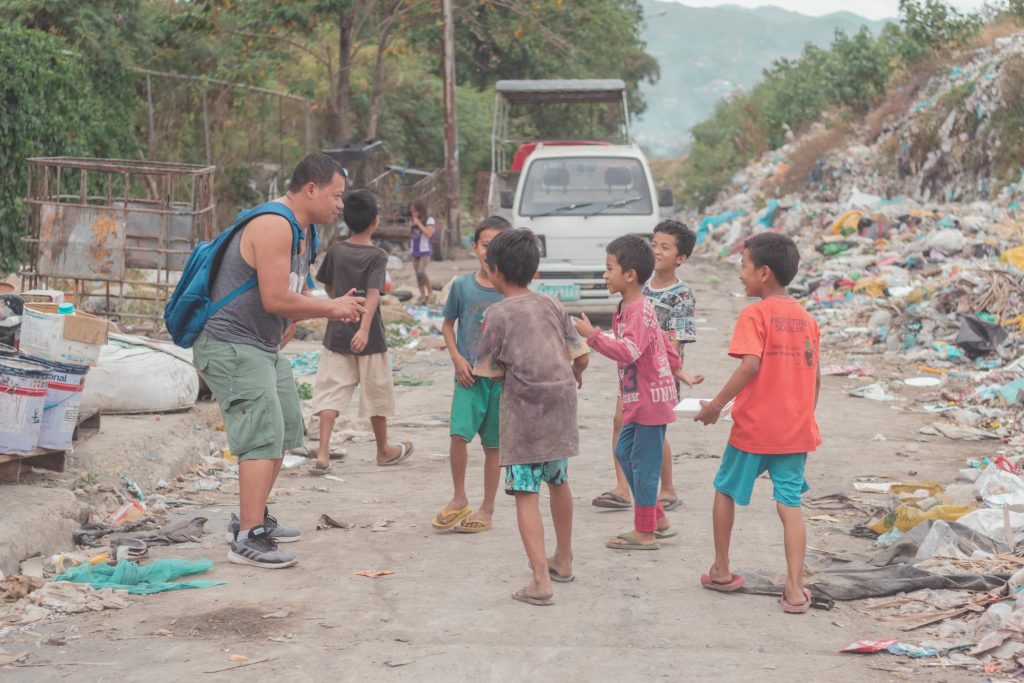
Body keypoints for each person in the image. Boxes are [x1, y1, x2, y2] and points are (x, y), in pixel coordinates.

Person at [194, 153, 366, 569]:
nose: (341, 205)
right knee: (260, 434)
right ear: (311, 189)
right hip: (230, 343)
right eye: (336, 195)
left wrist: (300, 314)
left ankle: (253, 518)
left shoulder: (305, 233)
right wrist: (331, 308)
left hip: (260, 346)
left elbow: (293, 291)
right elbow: (275, 297)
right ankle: (248, 538)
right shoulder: (273, 224)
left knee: (284, 424)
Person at [693, 232, 821, 614]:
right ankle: (795, 589)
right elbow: (815, 379)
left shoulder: (754, 314)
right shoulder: (808, 319)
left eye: (743, 267)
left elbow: (750, 364)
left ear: (764, 272)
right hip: (796, 431)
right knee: (790, 503)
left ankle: (720, 568)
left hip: (753, 429)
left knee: (725, 489)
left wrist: (716, 405)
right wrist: (803, 416)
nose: (739, 275)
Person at [473, 228, 589, 605]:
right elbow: (580, 353)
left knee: (526, 492)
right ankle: (565, 559)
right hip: (561, 405)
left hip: (525, 414)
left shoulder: (496, 314)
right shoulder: (553, 304)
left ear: (494, 272)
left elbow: (488, 371)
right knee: (559, 480)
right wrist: (578, 375)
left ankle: (540, 579)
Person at [575, 235, 682, 550]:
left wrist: (593, 336)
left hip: (650, 401)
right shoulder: (628, 306)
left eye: (609, 269)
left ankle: (645, 531)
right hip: (640, 400)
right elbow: (658, 341)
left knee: (644, 465)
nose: (605, 275)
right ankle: (657, 518)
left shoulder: (637, 308)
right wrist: (678, 367)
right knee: (624, 453)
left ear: (630, 275)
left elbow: (631, 350)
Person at [592, 220, 703, 513]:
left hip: (657, 375)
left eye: (665, 248)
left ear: (681, 258)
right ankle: (623, 487)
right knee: (623, 423)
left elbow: (675, 340)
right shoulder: (640, 289)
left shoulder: (681, 294)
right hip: (632, 372)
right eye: (653, 244)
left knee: (653, 434)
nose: (657, 251)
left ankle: (665, 489)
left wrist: (675, 368)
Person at [311, 189, 413, 474]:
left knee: (331, 391)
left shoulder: (337, 251)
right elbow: (373, 294)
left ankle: (322, 452)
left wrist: (337, 307)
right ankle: (383, 449)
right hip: (370, 339)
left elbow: (329, 288)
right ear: (375, 222)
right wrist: (365, 329)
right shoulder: (377, 256)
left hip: (337, 331)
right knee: (376, 392)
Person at [432, 215, 511, 533]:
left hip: (501, 382)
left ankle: (487, 508)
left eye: (498, 246)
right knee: (458, 436)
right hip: (467, 377)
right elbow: (448, 324)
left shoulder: (512, 291)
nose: (490, 252)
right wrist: (456, 358)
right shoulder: (462, 286)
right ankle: (459, 497)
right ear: (475, 247)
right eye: (486, 245)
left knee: (493, 447)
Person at [409, 199, 435, 305]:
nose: (414, 214)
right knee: (417, 274)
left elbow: (429, 234)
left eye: (415, 211)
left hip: (424, 251)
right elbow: (410, 234)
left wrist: (418, 223)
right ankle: (422, 296)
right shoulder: (413, 220)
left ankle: (430, 293)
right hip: (415, 251)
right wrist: (411, 226)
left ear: (421, 210)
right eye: (412, 212)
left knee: (421, 272)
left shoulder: (429, 220)